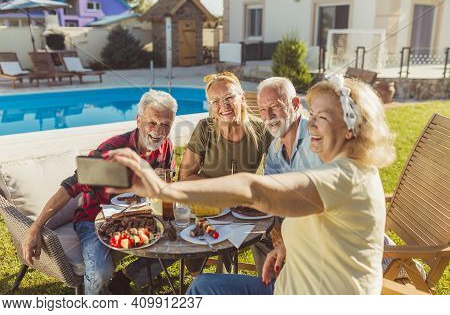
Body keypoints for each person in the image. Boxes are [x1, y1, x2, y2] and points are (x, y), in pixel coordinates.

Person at [105, 75, 396, 294]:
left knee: (202, 289)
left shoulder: (345, 177)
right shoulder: (344, 169)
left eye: (322, 117)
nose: (311, 125)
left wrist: (162, 190)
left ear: (351, 128)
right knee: (203, 286)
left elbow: (256, 189)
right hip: (290, 284)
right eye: (313, 116)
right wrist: (286, 248)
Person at [22, 89, 178, 294]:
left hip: (140, 216)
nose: (158, 131)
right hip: (95, 219)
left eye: (165, 124)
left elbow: (167, 184)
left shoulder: (166, 147)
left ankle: (125, 278)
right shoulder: (111, 150)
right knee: (100, 272)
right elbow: (71, 186)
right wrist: (35, 228)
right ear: (138, 120)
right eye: (152, 122)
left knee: (179, 245)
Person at [178, 71, 272, 274]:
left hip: (247, 210)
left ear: (242, 97)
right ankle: (204, 281)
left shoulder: (261, 131)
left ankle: (269, 286)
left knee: (270, 243)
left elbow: (277, 170)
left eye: (229, 97)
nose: (224, 106)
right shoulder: (205, 129)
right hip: (209, 206)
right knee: (193, 248)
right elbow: (185, 176)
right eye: (215, 101)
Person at [251, 77, 322, 276]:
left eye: (274, 106)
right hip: (294, 226)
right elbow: (270, 194)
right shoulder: (275, 149)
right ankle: (274, 288)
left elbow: (322, 203)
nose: (268, 116)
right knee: (259, 236)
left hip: (321, 233)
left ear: (295, 105)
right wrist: (275, 225)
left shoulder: (317, 139)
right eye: (262, 110)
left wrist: (289, 233)